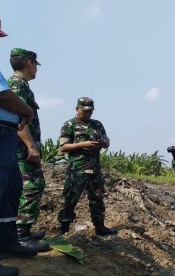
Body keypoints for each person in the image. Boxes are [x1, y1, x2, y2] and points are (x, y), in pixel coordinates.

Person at [0, 19, 40, 268]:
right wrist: (26, 111)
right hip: (4, 134)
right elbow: (4, 97)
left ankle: (7, 241)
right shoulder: (15, 84)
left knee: (11, 188)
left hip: (5, 133)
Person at [8, 48, 49, 252]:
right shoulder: (17, 84)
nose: (36, 70)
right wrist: (31, 146)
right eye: (35, 66)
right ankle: (21, 235)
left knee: (30, 186)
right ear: (29, 63)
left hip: (22, 147)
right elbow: (19, 119)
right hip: (22, 148)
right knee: (32, 186)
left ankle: (24, 230)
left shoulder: (20, 85)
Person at [57, 97, 117, 236]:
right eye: (85, 111)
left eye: (90, 111)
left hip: (95, 167)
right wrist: (82, 145)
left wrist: (104, 143)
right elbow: (63, 147)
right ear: (77, 109)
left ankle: (100, 226)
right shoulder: (69, 125)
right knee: (71, 198)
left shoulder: (97, 124)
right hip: (77, 168)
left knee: (97, 197)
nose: (88, 114)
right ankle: (64, 228)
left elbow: (107, 141)